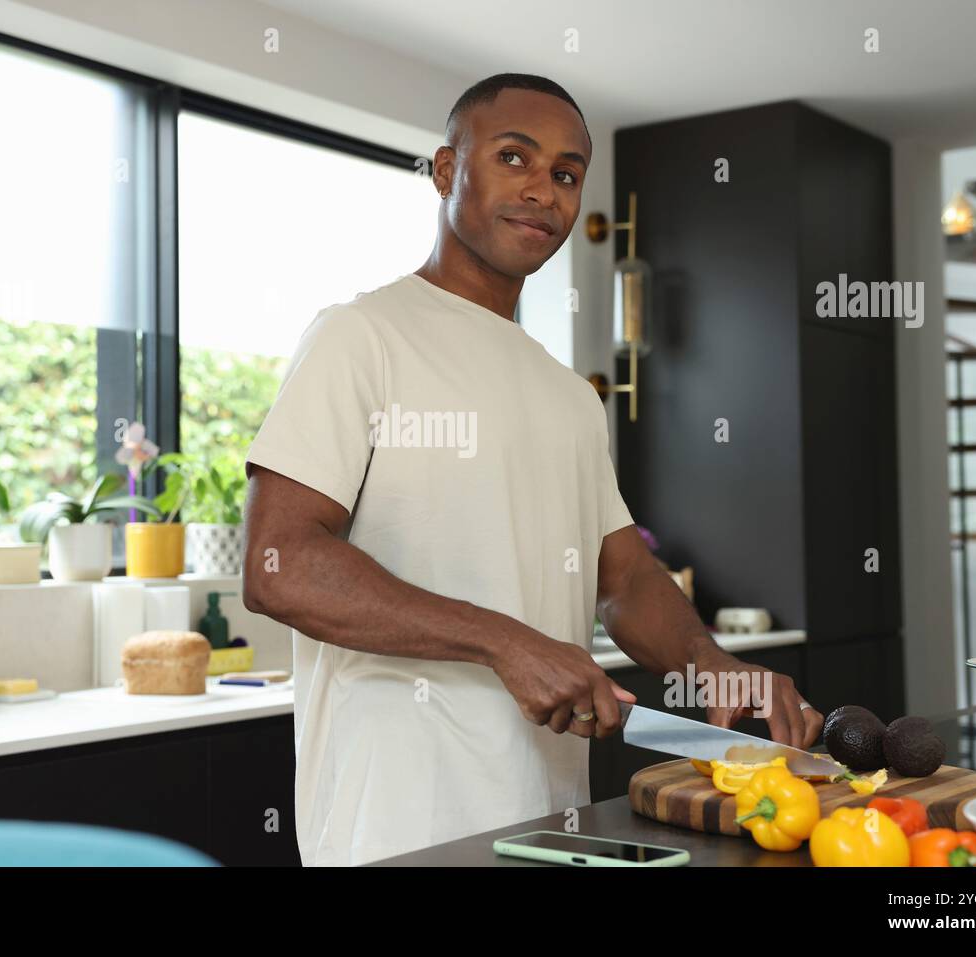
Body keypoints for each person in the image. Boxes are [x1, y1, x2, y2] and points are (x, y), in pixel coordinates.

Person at [241, 73, 822, 866]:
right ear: (447, 170)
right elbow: (281, 565)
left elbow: (623, 579)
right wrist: (505, 641)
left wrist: (708, 662)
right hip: (396, 826)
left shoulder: (568, 393)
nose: (542, 191)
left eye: (565, 173)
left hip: (552, 825)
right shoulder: (361, 336)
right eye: (513, 157)